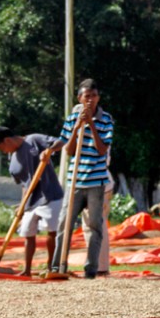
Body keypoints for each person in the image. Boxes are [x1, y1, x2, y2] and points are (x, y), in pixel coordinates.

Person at [50, 78, 114, 279]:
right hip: (75, 180)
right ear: (79, 98)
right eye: (87, 96)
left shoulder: (106, 119)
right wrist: (78, 126)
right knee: (64, 224)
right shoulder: (71, 119)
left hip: (96, 182)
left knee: (95, 226)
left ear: (98, 98)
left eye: (94, 96)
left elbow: (102, 149)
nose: (90, 100)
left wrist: (92, 127)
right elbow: (68, 150)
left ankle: (91, 270)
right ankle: (57, 267)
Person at [0, 127, 64, 277]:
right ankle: (27, 270)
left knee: (52, 231)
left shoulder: (34, 140)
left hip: (50, 195)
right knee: (28, 233)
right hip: (31, 200)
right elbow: (24, 185)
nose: (3, 152)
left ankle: (52, 267)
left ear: (7, 140)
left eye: (1, 148)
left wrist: (49, 151)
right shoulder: (13, 161)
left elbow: (61, 141)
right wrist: (22, 204)